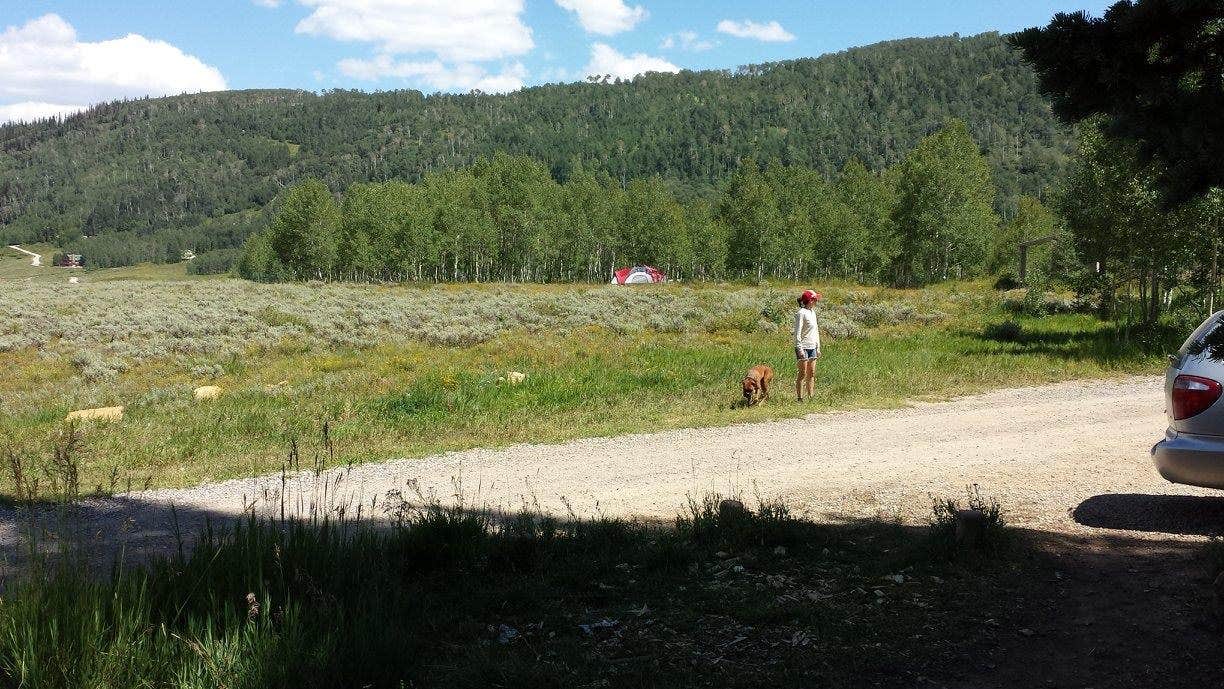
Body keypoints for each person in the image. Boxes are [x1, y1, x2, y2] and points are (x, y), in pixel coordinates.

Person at [793, 289, 821, 401]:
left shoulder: (813, 313)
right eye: (815, 299)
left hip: (812, 346)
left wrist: (818, 347)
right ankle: (800, 398)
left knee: (812, 372)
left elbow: (816, 331)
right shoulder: (801, 313)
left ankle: (811, 396)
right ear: (810, 300)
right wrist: (799, 348)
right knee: (802, 373)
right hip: (803, 346)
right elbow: (797, 332)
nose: (816, 301)